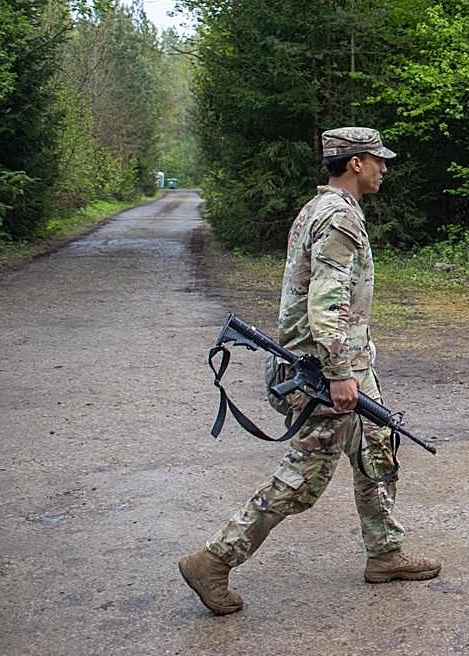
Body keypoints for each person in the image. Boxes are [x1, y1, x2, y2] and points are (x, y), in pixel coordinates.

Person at [179, 127, 440, 615]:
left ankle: (385, 552)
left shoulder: (320, 208)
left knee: (377, 450)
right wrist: (339, 373)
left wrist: (353, 367)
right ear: (356, 163)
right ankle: (214, 559)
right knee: (305, 476)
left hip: (349, 362)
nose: (384, 167)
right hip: (325, 369)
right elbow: (327, 302)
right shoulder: (338, 217)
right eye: (377, 159)